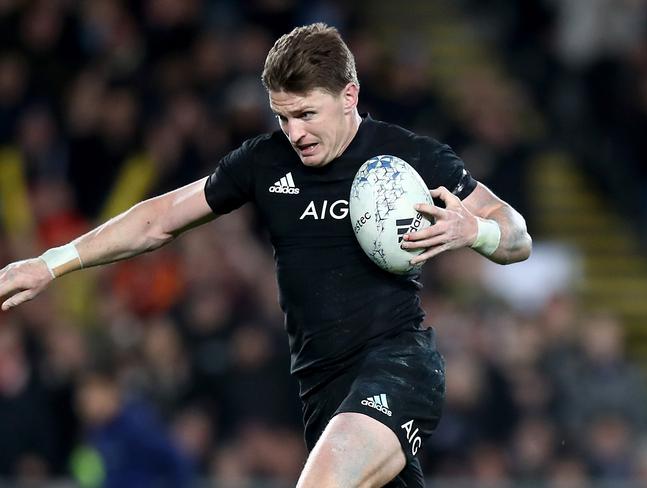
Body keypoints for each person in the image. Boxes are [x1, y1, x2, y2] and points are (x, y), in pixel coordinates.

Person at [0, 23, 532, 487]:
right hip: (323, 388)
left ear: (349, 95)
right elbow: (157, 220)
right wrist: (51, 262)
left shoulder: (411, 156)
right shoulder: (264, 162)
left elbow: (518, 236)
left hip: (399, 367)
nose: (295, 133)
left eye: (306, 113)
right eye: (282, 117)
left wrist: (477, 230)